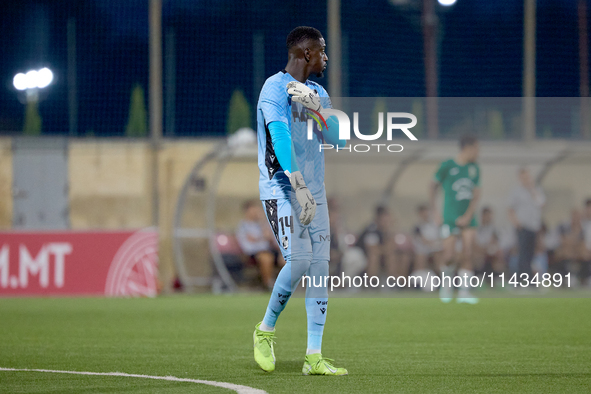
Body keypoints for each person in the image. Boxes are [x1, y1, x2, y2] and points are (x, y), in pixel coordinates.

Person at [252, 26, 347, 375]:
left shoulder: (319, 91)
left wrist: (317, 107)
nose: (326, 57)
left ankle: (313, 356)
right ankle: (265, 330)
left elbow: (340, 140)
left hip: (315, 192)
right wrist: (299, 186)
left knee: (320, 268)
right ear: (306, 53)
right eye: (322, 50)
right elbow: (278, 138)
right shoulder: (273, 88)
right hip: (282, 189)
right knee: (301, 260)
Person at [429, 134, 481, 304]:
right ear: (467, 148)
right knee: (449, 255)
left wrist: (468, 215)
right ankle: (446, 286)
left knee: (468, 252)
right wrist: (435, 212)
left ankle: (464, 293)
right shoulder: (447, 165)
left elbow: (476, 194)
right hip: (449, 217)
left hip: (468, 219)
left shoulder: (475, 168)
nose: (478, 152)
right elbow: (432, 186)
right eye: (476, 148)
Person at [236, 200, 283, 290]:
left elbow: (274, 241)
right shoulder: (243, 226)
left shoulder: (264, 225)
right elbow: (247, 245)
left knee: (286, 259)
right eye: (253, 210)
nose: (256, 213)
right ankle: (268, 285)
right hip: (254, 253)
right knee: (266, 257)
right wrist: (259, 239)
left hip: (270, 250)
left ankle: (286, 285)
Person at [507, 167, 546, 277]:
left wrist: (532, 190)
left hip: (534, 227)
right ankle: (521, 280)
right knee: (522, 254)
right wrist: (516, 223)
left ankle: (530, 279)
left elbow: (541, 204)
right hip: (522, 227)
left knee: (531, 254)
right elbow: (510, 209)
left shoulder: (537, 190)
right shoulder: (516, 192)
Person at [357, 206, 398, 279]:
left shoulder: (386, 231)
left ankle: (393, 282)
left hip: (379, 255)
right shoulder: (371, 230)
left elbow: (392, 246)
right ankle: (371, 282)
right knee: (374, 256)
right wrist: (385, 249)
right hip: (360, 256)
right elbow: (373, 249)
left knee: (393, 255)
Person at [411, 204, 443, 277]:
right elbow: (422, 240)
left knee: (438, 255)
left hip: (436, 248)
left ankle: (441, 276)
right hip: (422, 248)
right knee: (420, 256)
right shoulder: (417, 227)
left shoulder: (436, 225)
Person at [474, 207, 504, 278]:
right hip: (480, 252)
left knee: (498, 254)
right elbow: (475, 244)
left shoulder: (494, 230)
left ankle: (497, 278)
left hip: (491, 252)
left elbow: (497, 243)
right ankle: (479, 277)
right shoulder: (477, 229)